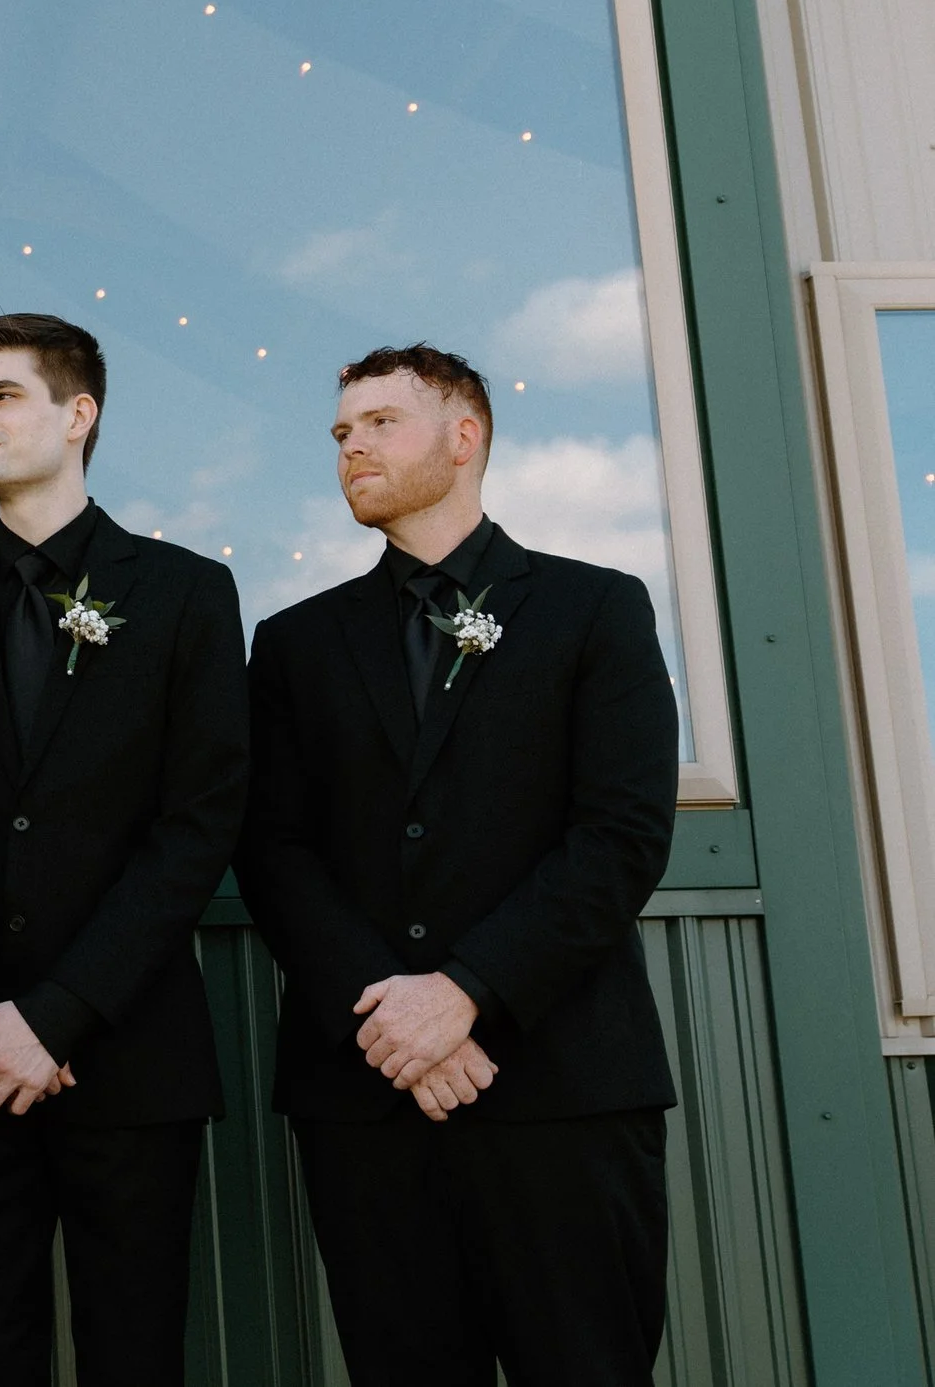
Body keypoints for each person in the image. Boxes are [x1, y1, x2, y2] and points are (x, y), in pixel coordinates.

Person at [234, 343, 677, 1387]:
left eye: (380, 422)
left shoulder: (594, 608)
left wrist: (468, 992)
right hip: (366, 1093)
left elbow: (619, 834)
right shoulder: (295, 642)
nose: (351, 446)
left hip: (560, 1081)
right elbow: (271, 845)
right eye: (341, 431)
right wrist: (393, 1017)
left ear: (463, 435)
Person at [0, 313, 248, 1385]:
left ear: (77, 413)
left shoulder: (184, 594)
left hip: (130, 1048)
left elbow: (198, 820)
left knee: (138, 1345)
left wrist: (60, 1012)